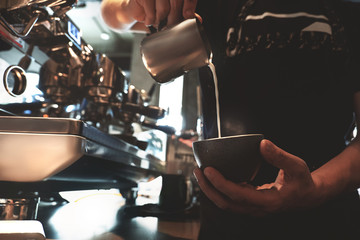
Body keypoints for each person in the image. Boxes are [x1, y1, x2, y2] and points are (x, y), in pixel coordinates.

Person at [101, 0, 360, 239]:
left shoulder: (350, 11)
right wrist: (132, 5)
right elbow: (110, 15)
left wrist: (318, 187)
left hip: (332, 219)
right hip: (224, 221)